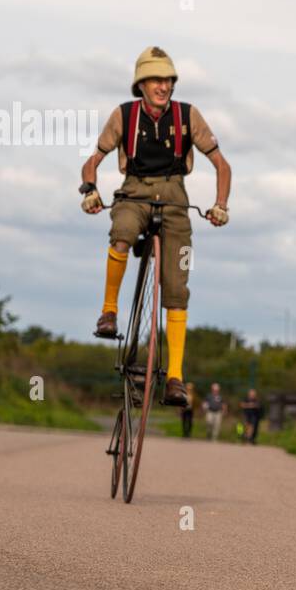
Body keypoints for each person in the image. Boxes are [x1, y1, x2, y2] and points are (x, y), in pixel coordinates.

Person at [80, 47, 232, 406]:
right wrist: (89, 191)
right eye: (155, 80)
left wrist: (221, 205)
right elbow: (92, 162)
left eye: (167, 80)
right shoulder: (124, 115)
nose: (163, 86)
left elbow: (222, 165)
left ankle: (176, 378)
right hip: (133, 192)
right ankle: (109, 312)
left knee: (177, 284)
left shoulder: (187, 115)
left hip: (175, 196)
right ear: (141, 84)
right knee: (121, 235)